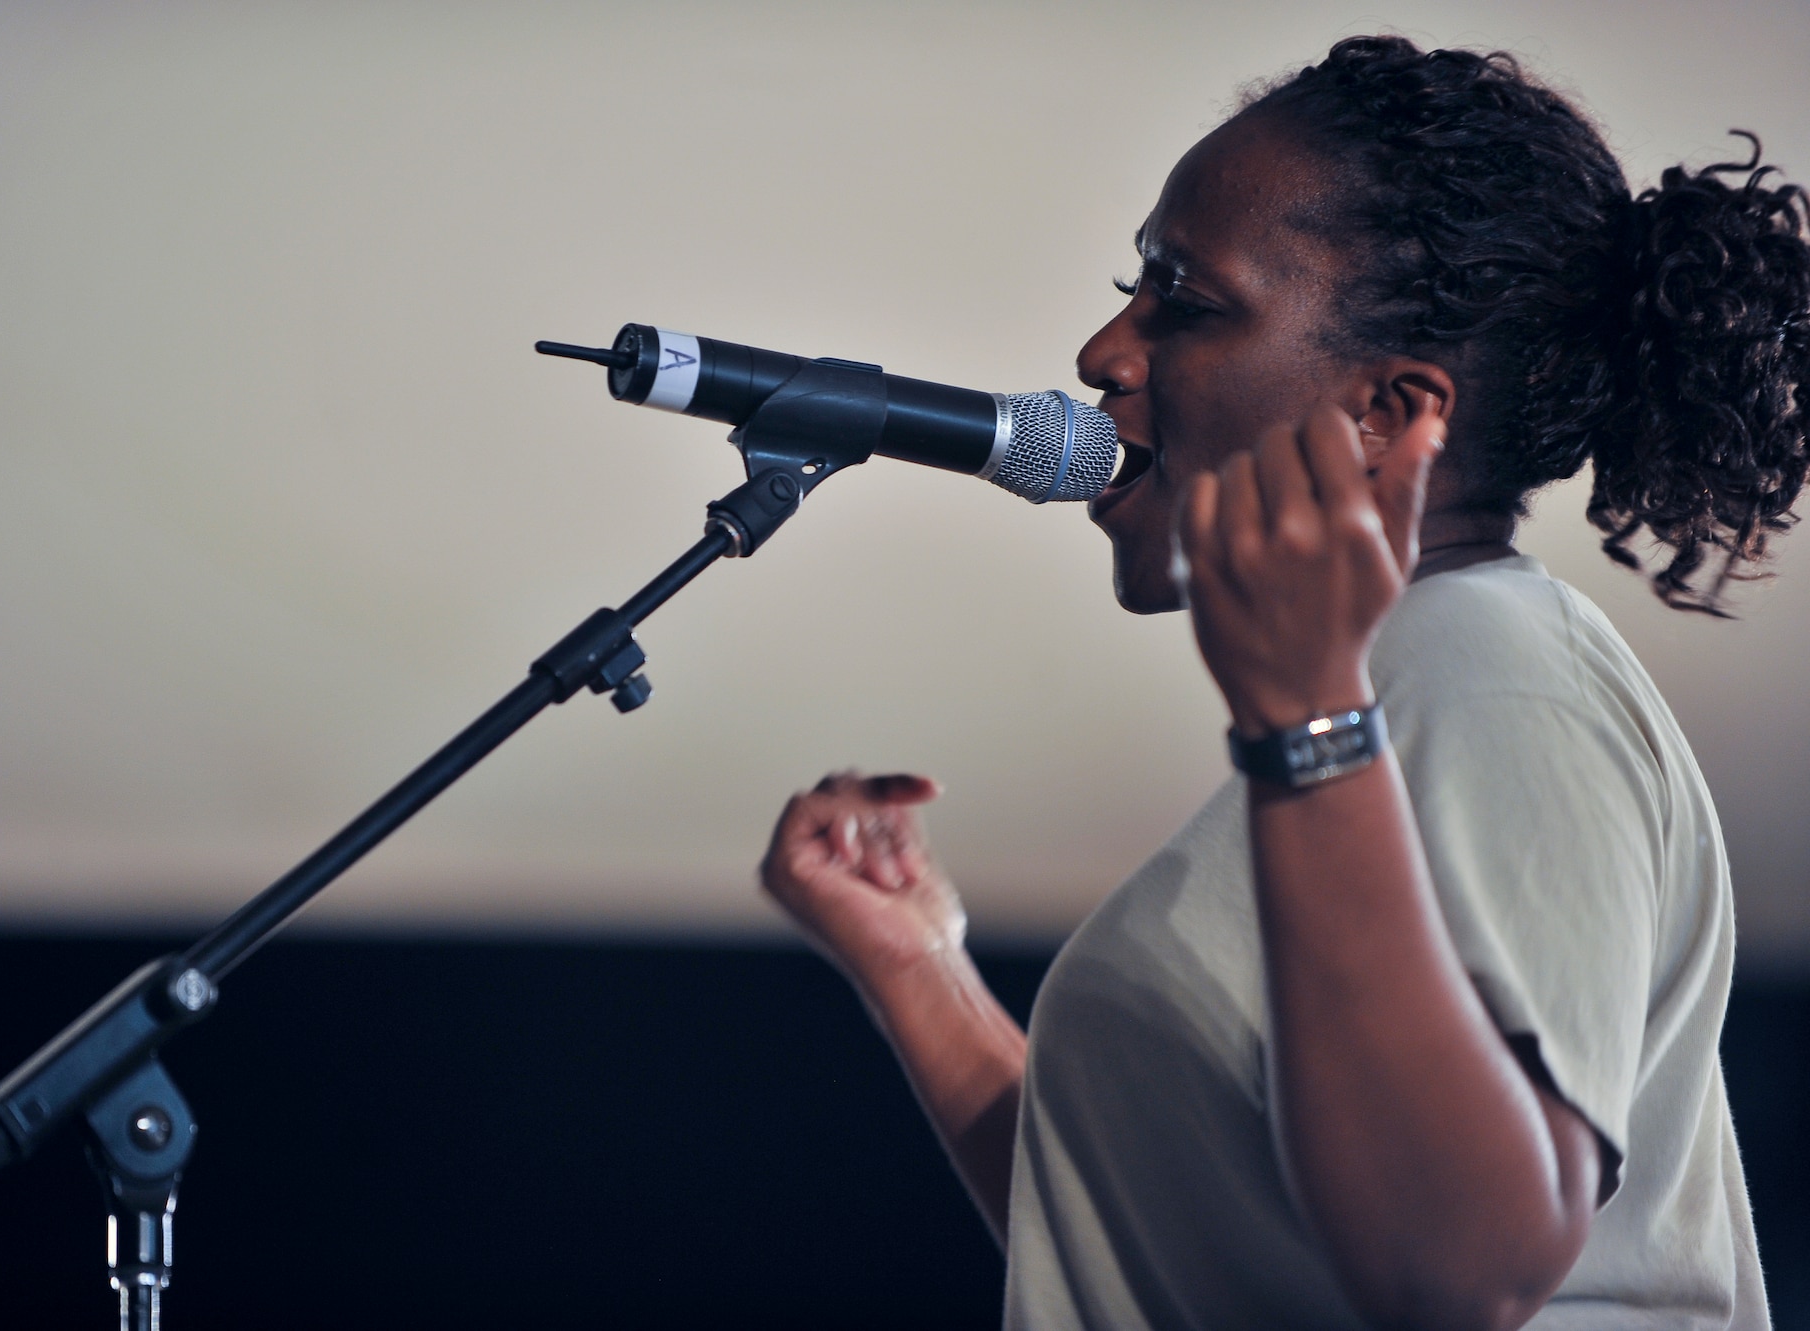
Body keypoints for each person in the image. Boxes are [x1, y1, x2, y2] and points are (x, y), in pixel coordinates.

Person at [758, 35, 1809, 1331]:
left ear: (1388, 413)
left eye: (1183, 301)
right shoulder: (1394, 702)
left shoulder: (1492, 674)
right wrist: (918, 970)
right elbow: (1164, 1249)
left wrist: (1302, 723)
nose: (1103, 352)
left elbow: (1461, 1265)